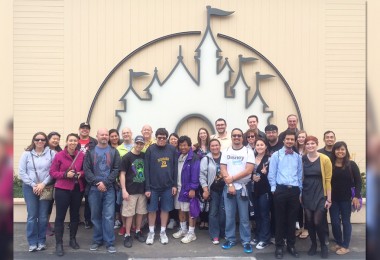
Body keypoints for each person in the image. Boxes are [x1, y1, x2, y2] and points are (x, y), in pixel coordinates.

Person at [84, 128, 121, 253]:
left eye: (106, 134)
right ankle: (97, 240)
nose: (104, 136)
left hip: (109, 189)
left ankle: (109, 242)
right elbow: (87, 170)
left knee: (109, 216)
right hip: (94, 189)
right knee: (95, 216)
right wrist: (97, 183)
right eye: (102, 134)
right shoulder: (90, 152)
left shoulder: (114, 152)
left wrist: (105, 183)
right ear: (97, 136)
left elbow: (116, 169)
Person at [18, 132, 55, 252]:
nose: (40, 141)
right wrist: (34, 185)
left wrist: (43, 184)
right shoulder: (26, 154)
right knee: (32, 216)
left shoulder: (51, 153)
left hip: (46, 187)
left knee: (43, 216)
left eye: (43, 139)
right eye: (37, 139)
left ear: (46, 141)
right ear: (33, 140)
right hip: (30, 188)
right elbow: (22, 172)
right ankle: (32, 242)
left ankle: (41, 241)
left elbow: (53, 171)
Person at [268, 130, 302, 259]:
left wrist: (300, 191)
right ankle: (279, 246)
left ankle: (291, 245)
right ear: (283, 140)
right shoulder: (276, 155)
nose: (289, 141)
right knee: (279, 219)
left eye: (292, 140)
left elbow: (299, 175)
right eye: (287, 139)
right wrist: (273, 189)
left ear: (294, 141)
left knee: (292, 219)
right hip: (280, 190)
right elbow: (272, 173)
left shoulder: (298, 157)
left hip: (294, 191)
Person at [49, 133, 85, 256]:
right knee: (60, 217)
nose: (73, 143)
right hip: (62, 189)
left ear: (77, 142)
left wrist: (81, 173)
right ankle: (59, 244)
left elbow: (85, 169)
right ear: (66, 142)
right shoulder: (59, 155)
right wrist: (65, 174)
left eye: (75, 141)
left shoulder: (81, 155)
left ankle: (72, 239)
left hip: (76, 189)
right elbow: (52, 172)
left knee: (75, 216)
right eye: (70, 140)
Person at [220, 128, 255, 254]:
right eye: (234, 135)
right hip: (228, 188)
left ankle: (246, 241)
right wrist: (230, 184)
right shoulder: (226, 151)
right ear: (231, 137)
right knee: (229, 216)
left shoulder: (248, 151)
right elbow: (223, 168)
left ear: (242, 137)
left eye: (239, 135)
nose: (236, 137)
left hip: (243, 188)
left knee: (244, 217)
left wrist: (233, 179)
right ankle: (230, 239)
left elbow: (249, 170)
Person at [144, 128, 178, 245]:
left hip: (167, 187)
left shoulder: (172, 149)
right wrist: (147, 187)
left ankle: (163, 232)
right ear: (156, 137)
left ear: (166, 138)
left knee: (165, 209)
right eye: (159, 138)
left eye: (164, 138)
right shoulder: (150, 149)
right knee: (152, 210)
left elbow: (175, 168)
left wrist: (174, 185)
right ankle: (151, 232)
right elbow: (146, 170)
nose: (162, 140)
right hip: (153, 187)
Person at [301, 136, 332, 259]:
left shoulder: (325, 159)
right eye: (307, 144)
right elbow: (300, 178)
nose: (310, 146)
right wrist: (300, 194)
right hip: (307, 193)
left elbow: (328, 180)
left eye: (312, 143)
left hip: (320, 194)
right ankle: (313, 244)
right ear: (305, 146)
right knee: (309, 221)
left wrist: (329, 199)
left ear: (317, 144)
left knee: (318, 221)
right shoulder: (302, 159)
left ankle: (324, 245)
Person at [329, 141, 362, 255]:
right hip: (332, 199)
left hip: (346, 199)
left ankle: (345, 245)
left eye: (342, 149)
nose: (340, 151)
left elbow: (358, 181)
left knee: (346, 222)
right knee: (334, 222)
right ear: (334, 151)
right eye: (337, 149)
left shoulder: (351, 165)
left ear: (346, 150)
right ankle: (338, 242)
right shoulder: (330, 164)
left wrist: (356, 196)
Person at [120, 135, 147, 248]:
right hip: (130, 191)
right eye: (137, 143)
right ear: (134, 143)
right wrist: (124, 190)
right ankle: (127, 235)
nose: (139, 145)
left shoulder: (144, 156)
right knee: (129, 214)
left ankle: (137, 231)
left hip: (142, 190)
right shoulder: (127, 157)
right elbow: (122, 174)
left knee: (140, 212)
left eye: (141, 144)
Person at [172, 136, 200, 243]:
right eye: (180, 145)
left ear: (189, 145)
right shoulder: (178, 156)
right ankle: (183, 230)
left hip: (188, 189)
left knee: (190, 211)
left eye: (185, 145)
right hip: (178, 188)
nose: (182, 147)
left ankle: (191, 233)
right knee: (180, 210)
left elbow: (195, 174)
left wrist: (193, 188)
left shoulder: (194, 158)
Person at [199, 139, 225, 245]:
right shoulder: (206, 159)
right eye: (212, 146)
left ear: (220, 146)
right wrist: (205, 189)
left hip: (225, 189)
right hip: (213, 190)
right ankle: (215, 235)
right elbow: (202, 175)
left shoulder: (225, 156)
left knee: (224, 212)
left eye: (216, 145)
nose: (215, 147)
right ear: (210, 147)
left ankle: (223, 233)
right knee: (213, 212)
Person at [250, 138, 271, 250]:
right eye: (257, 145)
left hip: (264, 190)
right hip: (254, 190)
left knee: (264, 215)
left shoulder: (269, 159)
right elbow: (248, 172)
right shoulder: (252, 159)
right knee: (257, 215)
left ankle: (264, 239)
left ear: (266, 146)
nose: (259, 147)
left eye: (262, 145)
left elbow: (274, 175)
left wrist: (267, 173)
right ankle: (257, 236)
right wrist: (252, 177)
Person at [77, 122, 98, 229]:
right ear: (79, 129)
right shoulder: (74, 140)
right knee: (75, 197)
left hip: (90, 173)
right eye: (83, 128)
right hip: (76, 173)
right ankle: (75, 219)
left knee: (89, 197)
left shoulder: (94, 141)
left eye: (87, 128)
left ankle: (87, 219)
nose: (85, 130)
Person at [317, 130, 336, 245]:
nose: (329, 139)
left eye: (331, 137)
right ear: (324, 139)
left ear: (334, 139)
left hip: (336, 188)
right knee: (323, 215)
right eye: (327, 137)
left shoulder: (338, 151)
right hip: (323, 188)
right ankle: (324, 236)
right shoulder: (319, 153)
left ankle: (337, 236)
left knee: (334, 216)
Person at [116, 127, 134, 235]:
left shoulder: (137, 146)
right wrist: (117, 180)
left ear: (131, 133)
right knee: (124, 205)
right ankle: (123, 225)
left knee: (135, 205)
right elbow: (116, 166)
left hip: (136, 181)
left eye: (128, 132)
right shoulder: (118, 149)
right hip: (123, 182)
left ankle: (133, 226)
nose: (126, 134)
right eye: (124, 133)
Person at [193, 127, 210, 230]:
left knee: (209, 199)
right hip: (199, 175)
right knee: (201, 198)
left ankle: (207, 220)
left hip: (210, 175)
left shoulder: (211, 145)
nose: (202, 135)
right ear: (199, 135)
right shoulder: (195, 147)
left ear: (207, 134)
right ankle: (202, 220)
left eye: (204, 133)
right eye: (200, 133)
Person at [46, 131, 62, 237]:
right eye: (53, 138)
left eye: (57, 139)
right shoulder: (44, 150)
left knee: (51, 204)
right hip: (45, 182)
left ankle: (47, 224)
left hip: (57, 182)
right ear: (48, 139)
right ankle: (45, 226)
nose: (55, 140)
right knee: (46, 205)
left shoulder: (60, 151)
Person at [295, 130, 309, 239]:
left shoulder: (309, 150)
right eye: (299, 137)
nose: (301, 139)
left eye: (303, 137)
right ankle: (300, 227)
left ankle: (307, 228)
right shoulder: (294, 150)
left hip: (307, 181)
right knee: (298, 206)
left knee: (306, 206)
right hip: (296, 181)